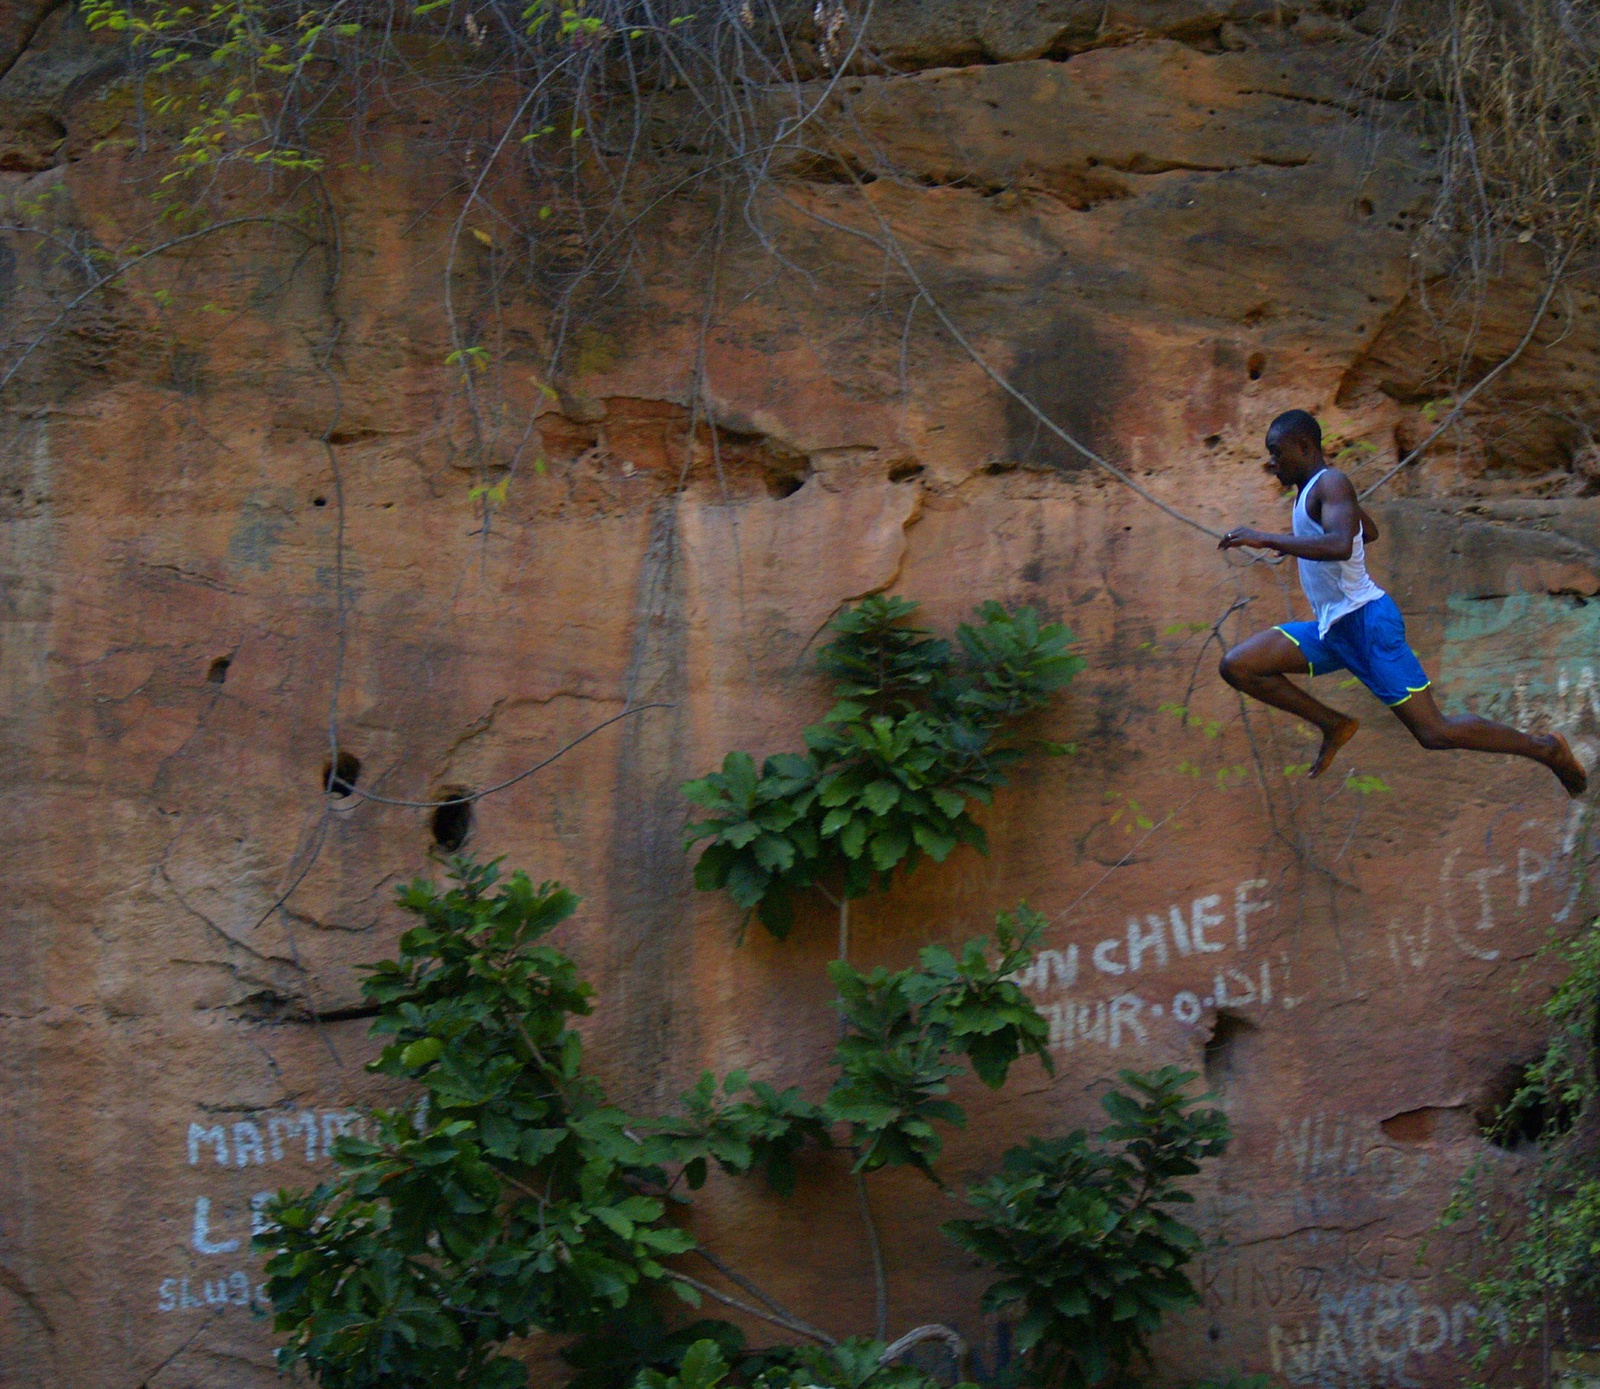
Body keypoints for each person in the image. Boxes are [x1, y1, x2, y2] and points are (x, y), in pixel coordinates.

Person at [1216, 409, 1588, 796]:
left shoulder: (1332, 483)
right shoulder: (1311, 494)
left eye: (1276, 452)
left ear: (1304, 446)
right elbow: (1367, 532)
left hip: (1367, 625)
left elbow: (1342, 543)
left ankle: (1546, 749)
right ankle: (1333, 724)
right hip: (1333, 631)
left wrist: (1269, 539)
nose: (1270, 462)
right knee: (1239, 666)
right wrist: (1300, 542)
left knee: (1434, 732)